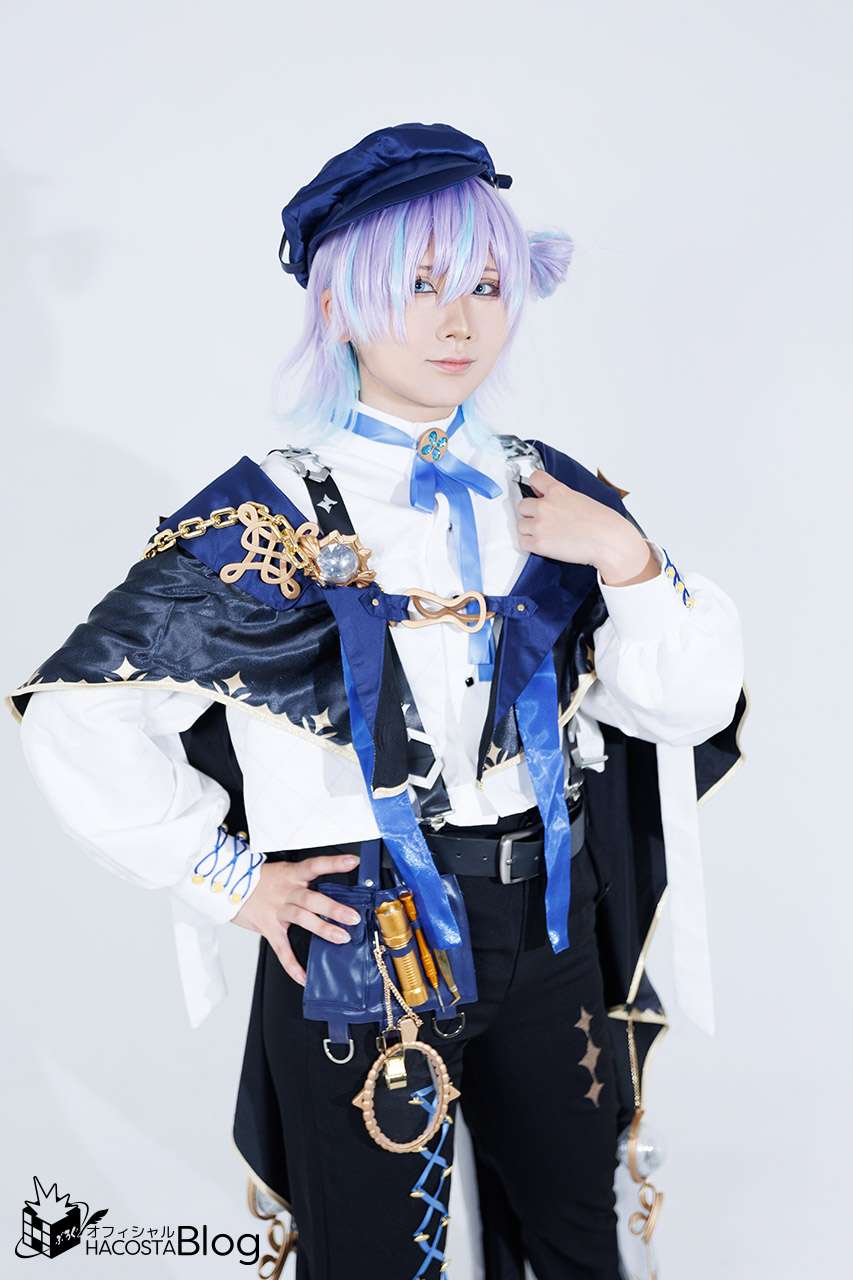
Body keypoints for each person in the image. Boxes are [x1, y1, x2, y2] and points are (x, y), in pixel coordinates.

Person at [10, 123, 745, 1280]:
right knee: (372, 1257)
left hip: (547, 924)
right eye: (420, 285)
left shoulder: (552, 489)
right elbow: (77, 711)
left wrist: (629, 560)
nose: (460, 321)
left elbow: (687, 708)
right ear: (338, 304)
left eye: (487, 285)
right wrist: (229, 879)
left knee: (574, 1244)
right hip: (364, 931)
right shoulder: (263, 514)